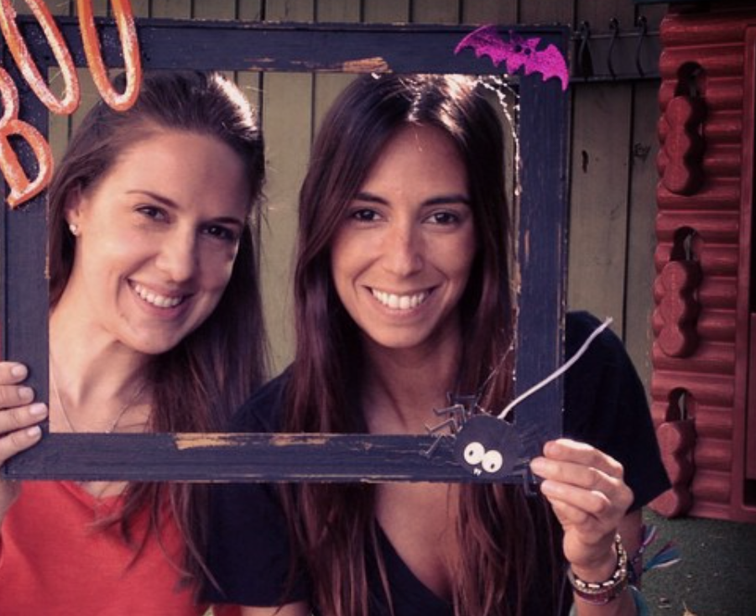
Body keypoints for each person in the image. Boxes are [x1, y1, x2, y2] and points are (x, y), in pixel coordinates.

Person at [203, 74, 670, 616]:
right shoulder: (266, 444)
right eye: (367, 214)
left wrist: (594, 568)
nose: (402, 259)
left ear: (483, 232)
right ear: (325, 227)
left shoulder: (580, 370)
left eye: (442, 217)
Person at [0, 71, 266, 615]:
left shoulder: (227, 434)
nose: (180, 265)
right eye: (151, 212)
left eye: (217, 231)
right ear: (76, 205)